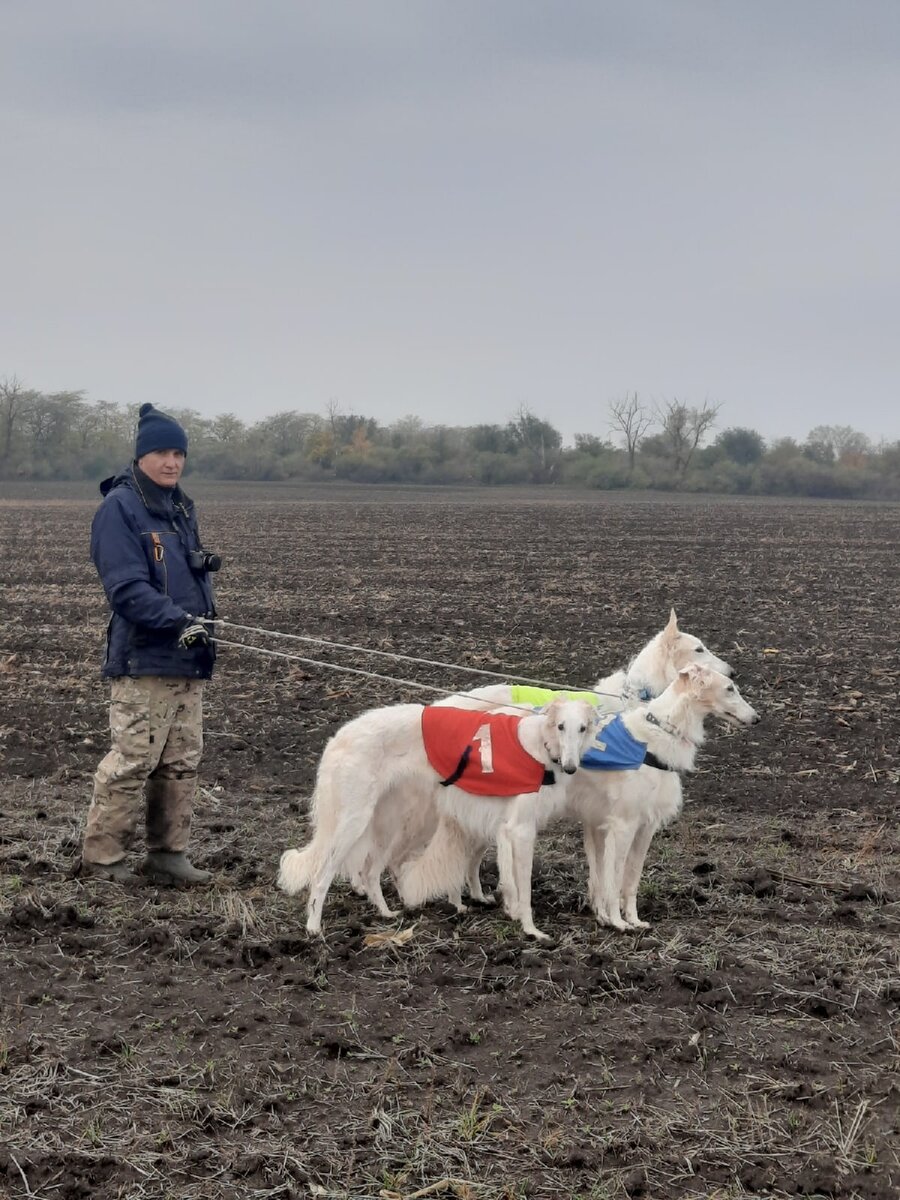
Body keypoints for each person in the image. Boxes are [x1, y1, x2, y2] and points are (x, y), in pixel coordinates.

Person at [80, 403, 219, 885]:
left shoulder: (181, 505)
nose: (172, 462)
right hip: (143, 657)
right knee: (134, 760)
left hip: (189, 657)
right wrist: (175, 620)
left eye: (179, 453)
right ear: (141, 455)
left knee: (181, 761)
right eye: (162, 451)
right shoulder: (119, 507)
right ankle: (102, 857)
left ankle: (168, 853)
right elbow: (125, 588)